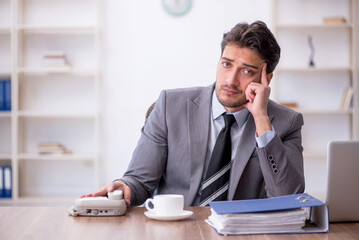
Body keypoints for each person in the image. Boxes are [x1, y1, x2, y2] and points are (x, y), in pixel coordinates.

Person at [82, 21, 305, 206]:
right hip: (176, 229)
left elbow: (288, 198)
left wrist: (262, 121)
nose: (231, 80)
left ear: (267, 79)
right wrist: (125, 186)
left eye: (247, 71)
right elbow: (140, 182)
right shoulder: (170, 106)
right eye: (226, 65)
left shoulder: (286, 122)